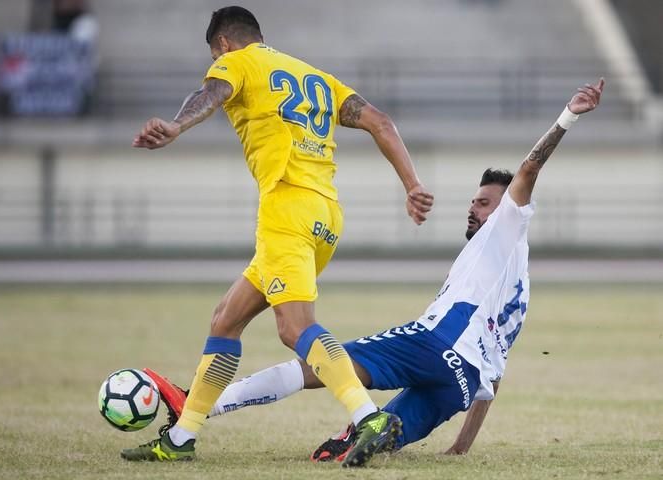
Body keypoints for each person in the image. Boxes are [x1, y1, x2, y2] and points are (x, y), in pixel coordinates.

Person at [146, 78, 605, 462]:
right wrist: (460, 450)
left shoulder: (508, 224)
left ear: (506, 206)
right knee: (371, 441)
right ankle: (354, 438)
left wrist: (569, 114)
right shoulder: (516, 282)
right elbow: (495, 374)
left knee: (316, 366)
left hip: (434, 344)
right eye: (473, 201)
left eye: (482, 203)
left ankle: (199, 407)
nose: (473, 208)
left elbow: (528, 169)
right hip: (462, 383)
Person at [121, 6, 434, 467]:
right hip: (325, 215)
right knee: (226, 319)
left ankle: (367, 416)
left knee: (294, 328)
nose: (216, 61)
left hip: (286, 205)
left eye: (215, 54)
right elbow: (381, 121)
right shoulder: (316, 77)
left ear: (223, 44)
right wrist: (412, 185)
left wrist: (176, 126)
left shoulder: (239, 61)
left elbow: (210, 93)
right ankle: (182, 437)